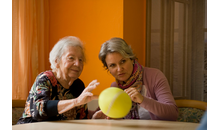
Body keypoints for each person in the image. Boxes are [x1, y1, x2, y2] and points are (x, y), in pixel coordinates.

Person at [17, 36, 100, 124]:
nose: (77, 63)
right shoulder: (45, 79)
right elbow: (39, 111)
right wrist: (76, 101)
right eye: (71, 58)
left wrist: (94, 117)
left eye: (80, 60)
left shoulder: (78, 85)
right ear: (56, 61)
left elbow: (81, 118)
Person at [92, 37, 178, 120]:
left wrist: (143, 100)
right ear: (108, 68)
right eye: (112, 65)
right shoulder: (115, 87)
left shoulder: (154, 76)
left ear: (132, 59)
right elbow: (98, 114)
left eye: (123, 61)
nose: (119, 69)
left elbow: (173, 113)